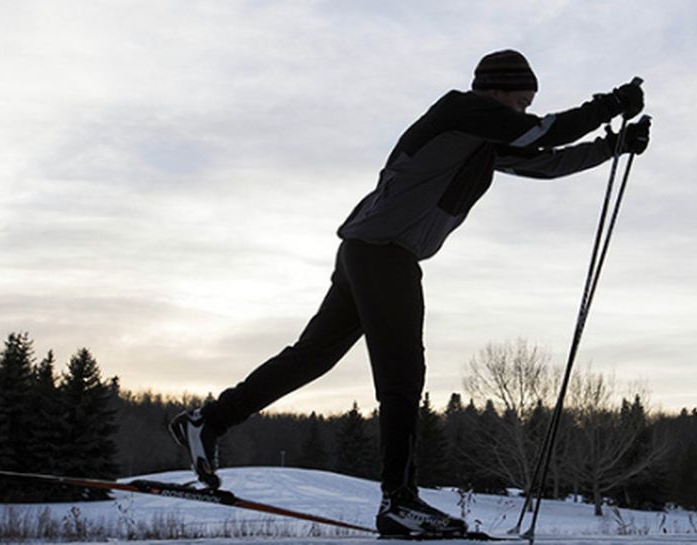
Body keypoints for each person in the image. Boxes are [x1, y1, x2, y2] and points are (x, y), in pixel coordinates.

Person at [170, 49, 650, 538]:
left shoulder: (483, 138)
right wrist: (612, 103)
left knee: (310, 357)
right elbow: (547, 132)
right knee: (402, 374)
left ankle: (207, 421)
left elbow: (545, 162)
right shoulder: (460, 111)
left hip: (366, 250)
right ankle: (399, 500)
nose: (524, 111)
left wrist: (616, 146)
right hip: (384, 254)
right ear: (495, 91)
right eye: (521, 101)